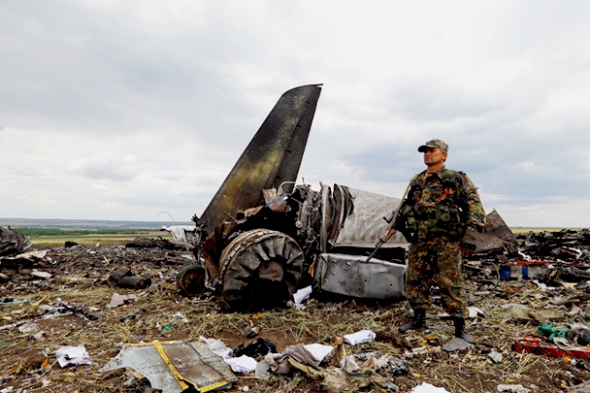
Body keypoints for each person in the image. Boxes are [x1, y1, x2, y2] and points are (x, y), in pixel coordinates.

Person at [381, 139, 485, 343]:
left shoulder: (455, 178)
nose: (427, 154)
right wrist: (396, 225)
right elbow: (408, 206)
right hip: (420, 241)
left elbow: (474, 205)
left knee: (450, 283)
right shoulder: (417, 181)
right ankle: (419, 319)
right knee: (415, 281)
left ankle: (460, 328)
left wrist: (471, 235)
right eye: (425, 152)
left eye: (432, 151)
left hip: (446, 242)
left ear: (444, 155)